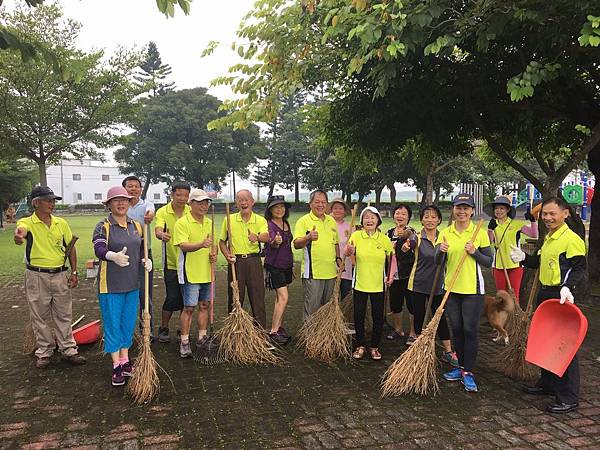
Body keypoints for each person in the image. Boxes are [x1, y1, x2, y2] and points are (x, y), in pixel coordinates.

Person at [510, 196, 586, 414]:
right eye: (545, 214)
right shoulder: (550, 237)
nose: (548, 218)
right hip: (545, 294)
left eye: (553, 213)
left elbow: (579, 267)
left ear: (565, 214)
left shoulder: (571, 239)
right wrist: (523, 257)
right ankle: (548, 383)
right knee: (545, 341)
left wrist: (567, 287)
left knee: (564, 346)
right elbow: (539, 262)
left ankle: (568, 397)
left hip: (561, 296)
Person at [14, 186, 86, 369]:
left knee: (64, 314)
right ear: (36, 203)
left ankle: (68, 349)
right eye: (48, 200)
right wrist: (19, 236)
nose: (52, 204)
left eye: (53, 200)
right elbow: (21, 231)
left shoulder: (60, 223)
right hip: (36, 275)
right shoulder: (27, 222)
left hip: (60, 273)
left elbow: (71, 247)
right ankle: (44, 352)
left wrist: (74, 272)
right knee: (39, 315)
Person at [93, 186, 152, 386]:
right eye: (116, 200)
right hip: (110, 285)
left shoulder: (136, 225)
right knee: (112, 324)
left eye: (124, 200)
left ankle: (125, 361)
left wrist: (145, 261)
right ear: (109, 205)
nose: (121, 203)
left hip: (133, 283)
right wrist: (111, 256)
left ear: (129, 203)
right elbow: (99, 248)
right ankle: (116, 364)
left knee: (128, 323)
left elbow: (142, 248)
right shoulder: (103, 226)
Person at [435, 193, 493, 393]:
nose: (462, 211)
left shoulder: (480, 232)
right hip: (451, 289)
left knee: (470, 330)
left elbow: (489, 261)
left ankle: (469, 371)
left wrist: (475, 252)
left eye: (466, 208)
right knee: (457, 330)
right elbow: (437, 263)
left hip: (473, 290)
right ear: (453, 209)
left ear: (472, 211)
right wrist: (439, 251)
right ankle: (460, 368)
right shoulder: (446, 233)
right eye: (458, 207)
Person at [405, 205, 458, 367]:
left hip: (438, 286)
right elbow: (405, 249)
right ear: (421, 220)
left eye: (434, 217)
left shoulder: (445, 237)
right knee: (420, 317)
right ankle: (419, 349)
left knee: (439, 317)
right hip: (418, 284)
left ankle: (448, 351)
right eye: (426, 216)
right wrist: (405, 247)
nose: (430, 220)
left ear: (439, 220)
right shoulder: (416, 238)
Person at [173, 189, 217, 358]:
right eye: (199, 202)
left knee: (205, 306)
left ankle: (202, 337)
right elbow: (182, 245)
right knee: (189, 308)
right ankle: (184, 341)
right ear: (190, 204)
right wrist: (201, 244)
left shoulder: (209, 222)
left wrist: (214, 254)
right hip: (190, 272)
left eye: (206, 202)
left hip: (207, 271)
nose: (203, 206)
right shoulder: (183, 223)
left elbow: (212, 245)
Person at [345, 206, 393, 360]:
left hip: (379, 285)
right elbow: (349, 255)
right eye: (366, 217)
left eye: (373, 217)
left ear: (378, 220)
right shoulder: (356, 236)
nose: (369, 220)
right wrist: (348, 251)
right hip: (359, 284)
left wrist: (391, 276)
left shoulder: (384, 239)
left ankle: (374, 347)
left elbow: (392, 259)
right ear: (362, 221)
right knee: (358, 315)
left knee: (378, 316)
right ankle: (360, 345)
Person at [219, 189, 269, 328]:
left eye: (246, 199)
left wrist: (257, 237)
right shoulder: (229, 219)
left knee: (257, 297)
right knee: (235, 297)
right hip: (236, 262)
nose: (243, 202)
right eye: (240, 199)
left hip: (254, 261)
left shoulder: (259, 220)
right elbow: (222, 241)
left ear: (252, 201)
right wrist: (226, 254)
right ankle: (234, 331)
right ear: (236, 202)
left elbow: (267, 236)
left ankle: (260, 333)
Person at [293, 190, 343, 321]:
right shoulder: (303, 221)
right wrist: (308, 237)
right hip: (313, 273)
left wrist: (338, 258)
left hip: (331, 272)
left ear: (327, 204)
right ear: (310, 204)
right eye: (317, 202)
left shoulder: (331, 220)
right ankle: (309, 338)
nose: (320, 205)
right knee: (312, 308)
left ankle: (324, 338)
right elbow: (296, 244)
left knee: (328, 308)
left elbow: (336, 243)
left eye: (323, 202)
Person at [154, 181, 191, 343]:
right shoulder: (163, 211)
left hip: (191, 263)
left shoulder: (191, 210)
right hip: (171, 263)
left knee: (187, 298)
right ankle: (163, 327)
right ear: (172, 194)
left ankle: (183, 329)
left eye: (185, 195)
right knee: (172, 296)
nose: (182, 198)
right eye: (179, 195)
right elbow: (158, 229)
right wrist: (162, 235)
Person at [122, 176, 156, 339]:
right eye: (130, 186)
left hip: (143, 251)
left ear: (141, 190)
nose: (133, 189)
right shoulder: (121, 206)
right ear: (124, 189)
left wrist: (149, 216)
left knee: (145, 292)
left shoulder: (145, 205)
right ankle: (127, 330)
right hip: (124, 253)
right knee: (125, 292)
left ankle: (147, 329)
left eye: (136, 186)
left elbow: (151, 211)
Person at [486, 195, 538, 302]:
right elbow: (489, 242)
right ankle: (503, 318)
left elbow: (533, 234)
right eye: (496, 208)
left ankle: (514, 317)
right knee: (501, 296)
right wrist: (490, 230)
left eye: (501, 208)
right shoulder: (492, 224)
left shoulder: (516, 224)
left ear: (508, 209)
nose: (498, 211)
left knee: (514, 296)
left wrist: (533, 221)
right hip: (498, 265)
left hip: (515, 264)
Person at [263, 195, 294, 345]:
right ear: (270, 210)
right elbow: (271, 244)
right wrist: (275, 242)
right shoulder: (268, 225)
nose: (279, 209)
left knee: (279, 299)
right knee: (284, 298)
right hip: (274, 266)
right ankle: (273, 332)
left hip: (286, 265)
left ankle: (279, 327)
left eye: (282, 206)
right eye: (276, 207)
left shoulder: (285, 223)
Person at [386, 203, 416, 343]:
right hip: (394, 275)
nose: (400, 216)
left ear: (409, 217)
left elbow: (411, 238)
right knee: (395, 303)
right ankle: (398, 329)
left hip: (409, 274)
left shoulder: (412, 232)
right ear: (393, 216)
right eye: (398, 213)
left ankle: (413, 332)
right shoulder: (389, 233)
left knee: (411, 304)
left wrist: (405, 236)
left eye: (404, 214)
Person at [329, 198, 354, 300]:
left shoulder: (350, 226)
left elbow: (353, 245)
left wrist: (352, 260)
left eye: (340, 208)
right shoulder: (328, 225)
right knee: (331, 295)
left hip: (345, 264)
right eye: (335, 208)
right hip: (330, 264)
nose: (337, 211)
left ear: (344, 211)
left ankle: (344, 314)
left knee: (345, 293)